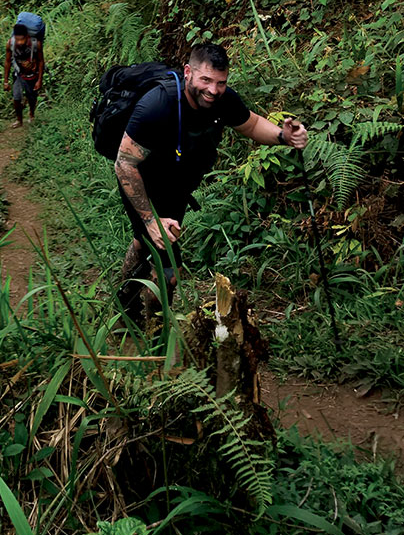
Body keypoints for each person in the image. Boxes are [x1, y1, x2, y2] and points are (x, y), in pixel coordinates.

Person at [115, 42, 308, 326]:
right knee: (169, 268)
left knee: (145, 243)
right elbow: (124, 164)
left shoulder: (222, 100)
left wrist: (284, 136)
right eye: (205, 80)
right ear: (188, 72)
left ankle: (123, 302)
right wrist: (149, 219)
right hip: (140, 184)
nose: (213, 90)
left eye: (221, 82)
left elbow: (251, 124)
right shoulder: (158, 104)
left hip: (176, 187)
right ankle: (155, 336)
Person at [3, 22, 45, 126]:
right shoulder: (10, 44)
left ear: (27, 36)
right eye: (17, 39)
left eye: (22, 39)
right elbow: (7, 62)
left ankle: (31, 114)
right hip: (19, 74)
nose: (20, 42)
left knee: (32, 97)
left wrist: (40, 80)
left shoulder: (36, 44)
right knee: (16, 97)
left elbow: (41, 61)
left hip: (32, 75)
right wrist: (6, 81)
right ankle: (19, 120)